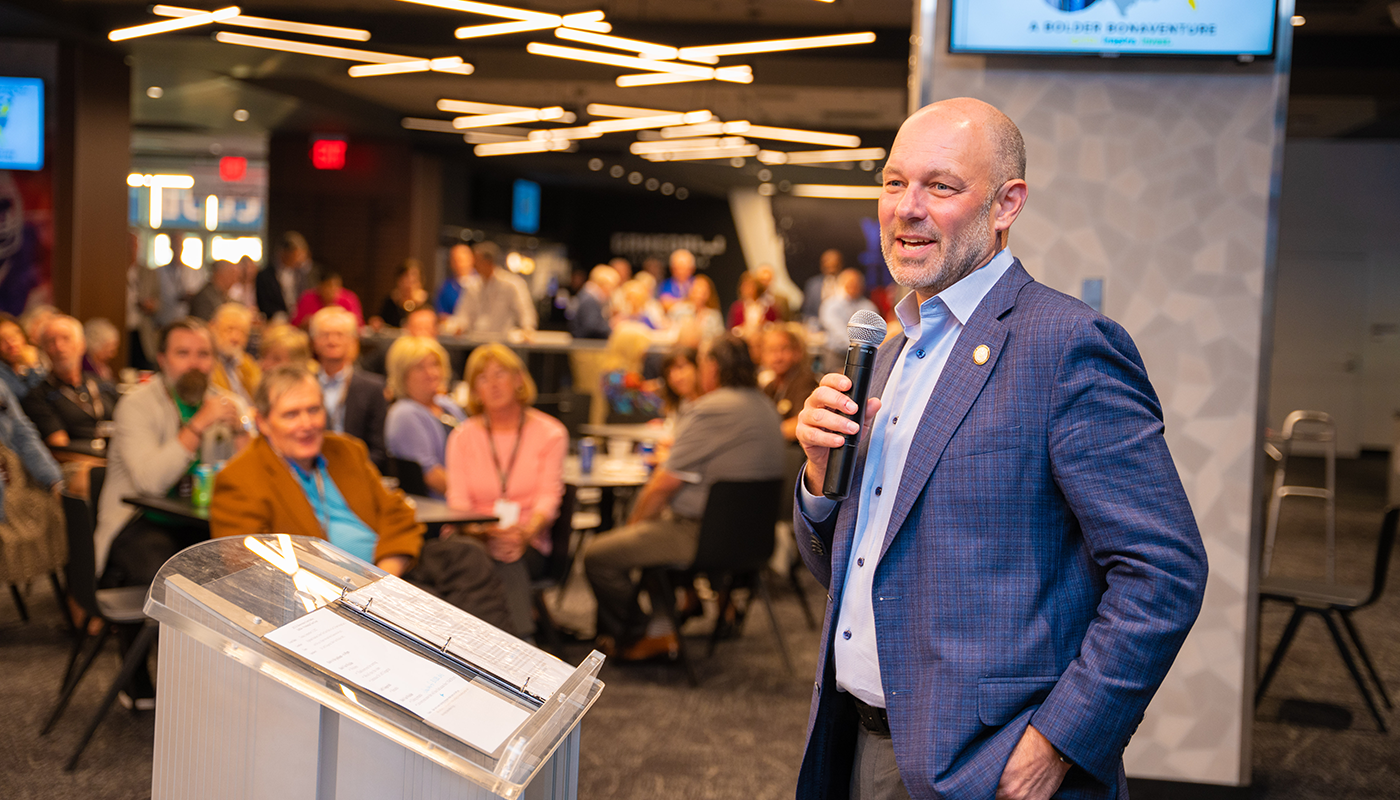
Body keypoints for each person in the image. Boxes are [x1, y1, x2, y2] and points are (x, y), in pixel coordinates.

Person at [792, 98, 1208, 800]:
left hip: (988, 768)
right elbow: (846, 568)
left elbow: (1163, 572)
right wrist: (817, 475)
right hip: (858, 742)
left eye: (941, 186)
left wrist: (1058, 743)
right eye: (894, 183)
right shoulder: (892, 354)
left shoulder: (1066, 345)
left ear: (1007, 204)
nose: (907, 208)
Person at [209, 365, 515, 633]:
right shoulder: (240, 478)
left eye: (313, 410)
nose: (307, 424)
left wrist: (385, 577)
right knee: (435, 610)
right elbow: (249, 568)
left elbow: (397, 513)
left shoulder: (345, 451)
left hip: (387, 569)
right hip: (323, 591)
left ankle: (505, 668)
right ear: (262, 422)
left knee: (467, 555)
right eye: (291, 414)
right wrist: (362, 590)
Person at [583, 334, 784, 659]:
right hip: (752, 539)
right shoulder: (764, 405)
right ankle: (662, 628)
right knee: (645, 544)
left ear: (714, 366)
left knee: (599, 555)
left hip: (703, 535)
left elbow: (663, 484)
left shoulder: (711, 408)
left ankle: (642, 637)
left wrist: (632, 526)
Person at [96, 318, 251, 583]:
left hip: (204, 524)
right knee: (178, 582)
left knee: (244, 574)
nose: (194, 363)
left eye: (203, 354)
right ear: (162, 359)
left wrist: (240, 433)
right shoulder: (136, 405)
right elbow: (149, 482)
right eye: (182, 353)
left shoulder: (228, 404)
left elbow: (252, 480)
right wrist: (199, 424)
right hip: (138, 522)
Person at [445, 344, 568, 638]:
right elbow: (458, 504)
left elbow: (548, 499)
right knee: (476, 555)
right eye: (483, 378)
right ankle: (519, 644)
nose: (494, 384)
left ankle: (512, 646)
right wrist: (484, 533)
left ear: (519, 380)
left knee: (507, 554)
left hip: (529, 538)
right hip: (471, 534)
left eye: (501, 374)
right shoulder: (463, 437)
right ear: (474, 391)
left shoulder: (550, 433)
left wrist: (525, 532)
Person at [22, 315, 119, 462]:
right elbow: (61, 450)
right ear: (44, 351)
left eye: (66, 339)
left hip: (118, 456)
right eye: (50, 342)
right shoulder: (38, 395)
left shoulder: (103, 384)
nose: (59, 347)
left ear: (82, 344)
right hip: (81, 463)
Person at [384, 336, 464, 499]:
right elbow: (431, 475)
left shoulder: (449, 405)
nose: (431, 373)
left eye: (435, 364)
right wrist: (472, 495)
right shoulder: (404, 414)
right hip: (438, 507)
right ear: (403, 374)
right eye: (420, 368)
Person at [310, 306, 387, 470]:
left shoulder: (373, 388)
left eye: (339, 334)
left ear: (353, 341)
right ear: (314, 342)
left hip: (357, 473)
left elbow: (378, 450)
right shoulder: (303, 384)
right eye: (325, 334)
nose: (332, 340)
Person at [452, 242, 536, 335]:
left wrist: (528, 329)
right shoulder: (472, 285)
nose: (474, 265)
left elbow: (525, 311)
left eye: (477, 261)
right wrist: (460, 326)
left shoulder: (511, 284)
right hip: (476, 341)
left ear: (488, 262)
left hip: (503, 341)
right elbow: (464, 313)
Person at [759, 323, 818, 442]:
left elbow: (803, 423)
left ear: (797, 352)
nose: (777, 357)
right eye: (771, 350)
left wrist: (764, 434)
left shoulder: (806, 382)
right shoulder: (769, 387)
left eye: (784, 349)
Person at [819, 268, 880, 370]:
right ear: (842, 284)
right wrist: (860, 345)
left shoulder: (869, 306)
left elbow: (872, 334)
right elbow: (838, 333)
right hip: (837, 355)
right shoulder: (831, 305)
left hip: (862, 357)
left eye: (857, 283)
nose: (854, 286)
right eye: (850, 283)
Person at [600, 322, 662, 422]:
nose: (645, 352)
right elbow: (645, 406)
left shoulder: (609, 374)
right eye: (642, 347)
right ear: (631, 349)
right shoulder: (622, 377)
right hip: (628, 426)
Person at [256, 231, 321, 322]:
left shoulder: (303, 273)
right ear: (285, 253)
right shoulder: (265, 275)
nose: (300, 258)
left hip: (299, 320)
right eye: (297, 253)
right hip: (275, 321)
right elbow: (264, 303)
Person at [208, 303, 262, 405]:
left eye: (243, 332)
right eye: (229, 329)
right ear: (212, 327)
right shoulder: (207, 364)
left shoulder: (248, 363)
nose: (236, 338)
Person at [0, 312, 47, 401]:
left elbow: (51, 393)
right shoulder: (2, 372)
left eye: (14, 336)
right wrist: (33, 367)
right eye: (3, 339)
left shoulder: (40, 356)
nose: (11, 344)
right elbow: (29, 400)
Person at [293, 271, 364, 328]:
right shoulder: (307, 298)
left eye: (336, 286)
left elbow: (359, 325)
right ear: (320, 286)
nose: (332, 290)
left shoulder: (349, 298)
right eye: (329, 285)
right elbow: (295, 325)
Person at [667, 274, 724, 344]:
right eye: (696, 290)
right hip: (682, 349)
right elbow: (669, 333)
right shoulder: (678, 310)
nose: (699, 295)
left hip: (706, 351)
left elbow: (720, 338)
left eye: (703, 292)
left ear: (708, 293)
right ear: (690, 290)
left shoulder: (714, 315)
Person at [374, 259, 429, 329]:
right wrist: (377, 323)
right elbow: (380, 322)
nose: (409, 286)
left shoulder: (427, 303)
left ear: (421, 282)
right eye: (405, 281)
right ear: (398, 281)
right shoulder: (390, 302)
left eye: (413, 281)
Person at [568, 264, 618, 340]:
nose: (612, 292)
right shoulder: (590, 300)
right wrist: (611, 326)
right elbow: (591, 327)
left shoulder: (586, 296)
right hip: (585, 346)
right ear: (604, 285)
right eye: (612, 287)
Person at [801, 248, 844, 322]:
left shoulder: (846, 282)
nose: (830, 264)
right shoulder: (813, 284)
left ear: (840, 264)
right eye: (827, 262)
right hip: (817, 325)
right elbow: (807, 310)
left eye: (834, 262)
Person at [435, 242, 474, 317]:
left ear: (472, 259)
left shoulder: (482, 283)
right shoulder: (445, 288)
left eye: (462, 259)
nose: (459, 264)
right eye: (455, 260)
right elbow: (441, 314)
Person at [82, 317, 121, 383]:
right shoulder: (84, 367)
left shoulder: (101, 366)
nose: (113, 355)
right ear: (96, 346)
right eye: (110, 351)